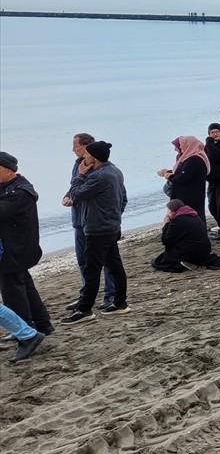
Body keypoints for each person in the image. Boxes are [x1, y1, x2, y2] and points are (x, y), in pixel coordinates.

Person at [63, 141, 130, 321]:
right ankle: (120, 302)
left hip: (99, 229)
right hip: (110, 226)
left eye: (87, 154)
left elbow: (76, 193)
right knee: (115, 266)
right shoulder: (115, 171)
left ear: (94, 157)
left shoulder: (99, 176)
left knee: (91, 269)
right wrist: (115, 216)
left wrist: (80, 175)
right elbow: (124, 198)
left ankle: (85, 309)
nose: (84, 157)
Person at [0, 152, 53, 338]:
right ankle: (43, 325)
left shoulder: (17, 192)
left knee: (13, 293)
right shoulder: (10, 187)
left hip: (14, 250)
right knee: (26, 287)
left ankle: (25, 331)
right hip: (18, 247)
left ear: (8, 170)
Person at [66, 133, 114, 308]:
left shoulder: (102, 169)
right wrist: (67, 196)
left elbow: (118, 196)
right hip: (79, 220)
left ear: (86, 148)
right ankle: (85, 295)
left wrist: (112, 216)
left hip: (97, 223)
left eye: (76, 146)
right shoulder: (78, 164)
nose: (73, 150)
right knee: (83, 261)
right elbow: (74, 186)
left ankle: (111, 295)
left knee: (107, 261)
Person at [151, 199, 220, 272]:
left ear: (172, 211)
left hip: (193, 251)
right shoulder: (193, 214)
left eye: (168, 211)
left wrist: (166, 223)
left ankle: (187, 263)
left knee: (159, 261)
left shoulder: (178, 220)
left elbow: (166, 241)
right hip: (205, 250)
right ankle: (189, 262)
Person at [158, 136, 208, 217]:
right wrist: (169, 173)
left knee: (189, 216)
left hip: (189, 196)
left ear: (187, 145)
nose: (176, 149)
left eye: (179, 146)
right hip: (191, 195)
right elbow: (184, 173)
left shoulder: (194, 159)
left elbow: (183, 177)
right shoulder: (190, 158)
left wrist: (168, 176)